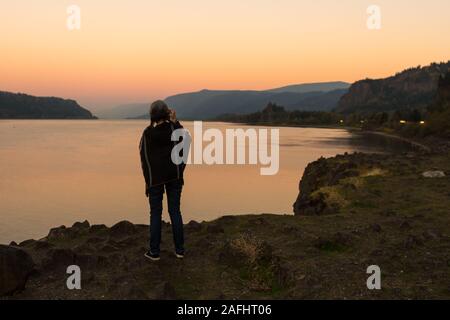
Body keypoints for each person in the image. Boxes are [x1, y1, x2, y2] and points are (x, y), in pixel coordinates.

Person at [139, 100, 187, 261]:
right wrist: (176, 121)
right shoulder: (175, 130)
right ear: (167, 114)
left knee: (155, 213)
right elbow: (185, 145)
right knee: (175, 211)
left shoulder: (147, 134)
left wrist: (148, 182)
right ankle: (179, 250)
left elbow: (144, 158)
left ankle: (154, 252)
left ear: (152, 115)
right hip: (174, 177)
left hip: (155, 179)